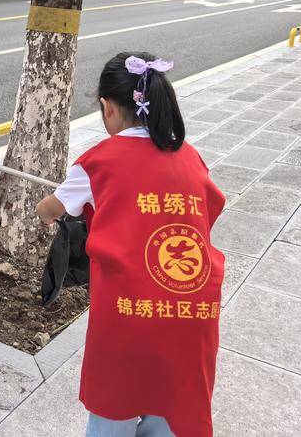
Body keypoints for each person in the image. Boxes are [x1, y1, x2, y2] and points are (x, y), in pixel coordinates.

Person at [36, 52, 226, 437]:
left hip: (129, 316)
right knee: (171, 410)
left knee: (114, 413)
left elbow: (49, 211)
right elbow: (211, 207)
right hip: (192, 314)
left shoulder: (98, 162)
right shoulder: (190, 157)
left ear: (107, 108)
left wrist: (57, 200)